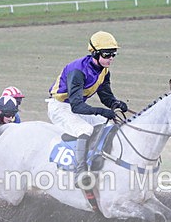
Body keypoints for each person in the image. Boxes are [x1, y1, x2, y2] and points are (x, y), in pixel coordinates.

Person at [47, 30, 128, 188]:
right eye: (106, 55)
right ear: (95, 54)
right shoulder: (77, 71)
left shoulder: (104, 71)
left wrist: (116, 104)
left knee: (110, 125)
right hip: (60, 106)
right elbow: (77, 106)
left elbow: (106, 97)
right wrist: (102, 111)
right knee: (85, 129)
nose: (110, 58)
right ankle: (80, 172)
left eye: (114, 54)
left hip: (76, 106)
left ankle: (99, 161)